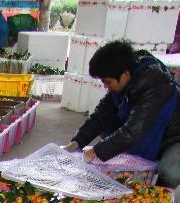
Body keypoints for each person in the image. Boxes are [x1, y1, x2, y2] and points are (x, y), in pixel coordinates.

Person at [65, 40, 180, 187]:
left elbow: (132, 133)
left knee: (171, 172)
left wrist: (95, 151)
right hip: (145, 130)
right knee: (107, 130)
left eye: (107, 82)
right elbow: (100, 116)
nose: (106, 87)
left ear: (125, 75)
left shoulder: (154, 84)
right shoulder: (125, 79)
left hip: (172, 139)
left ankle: (161, 195)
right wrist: (76, 142)